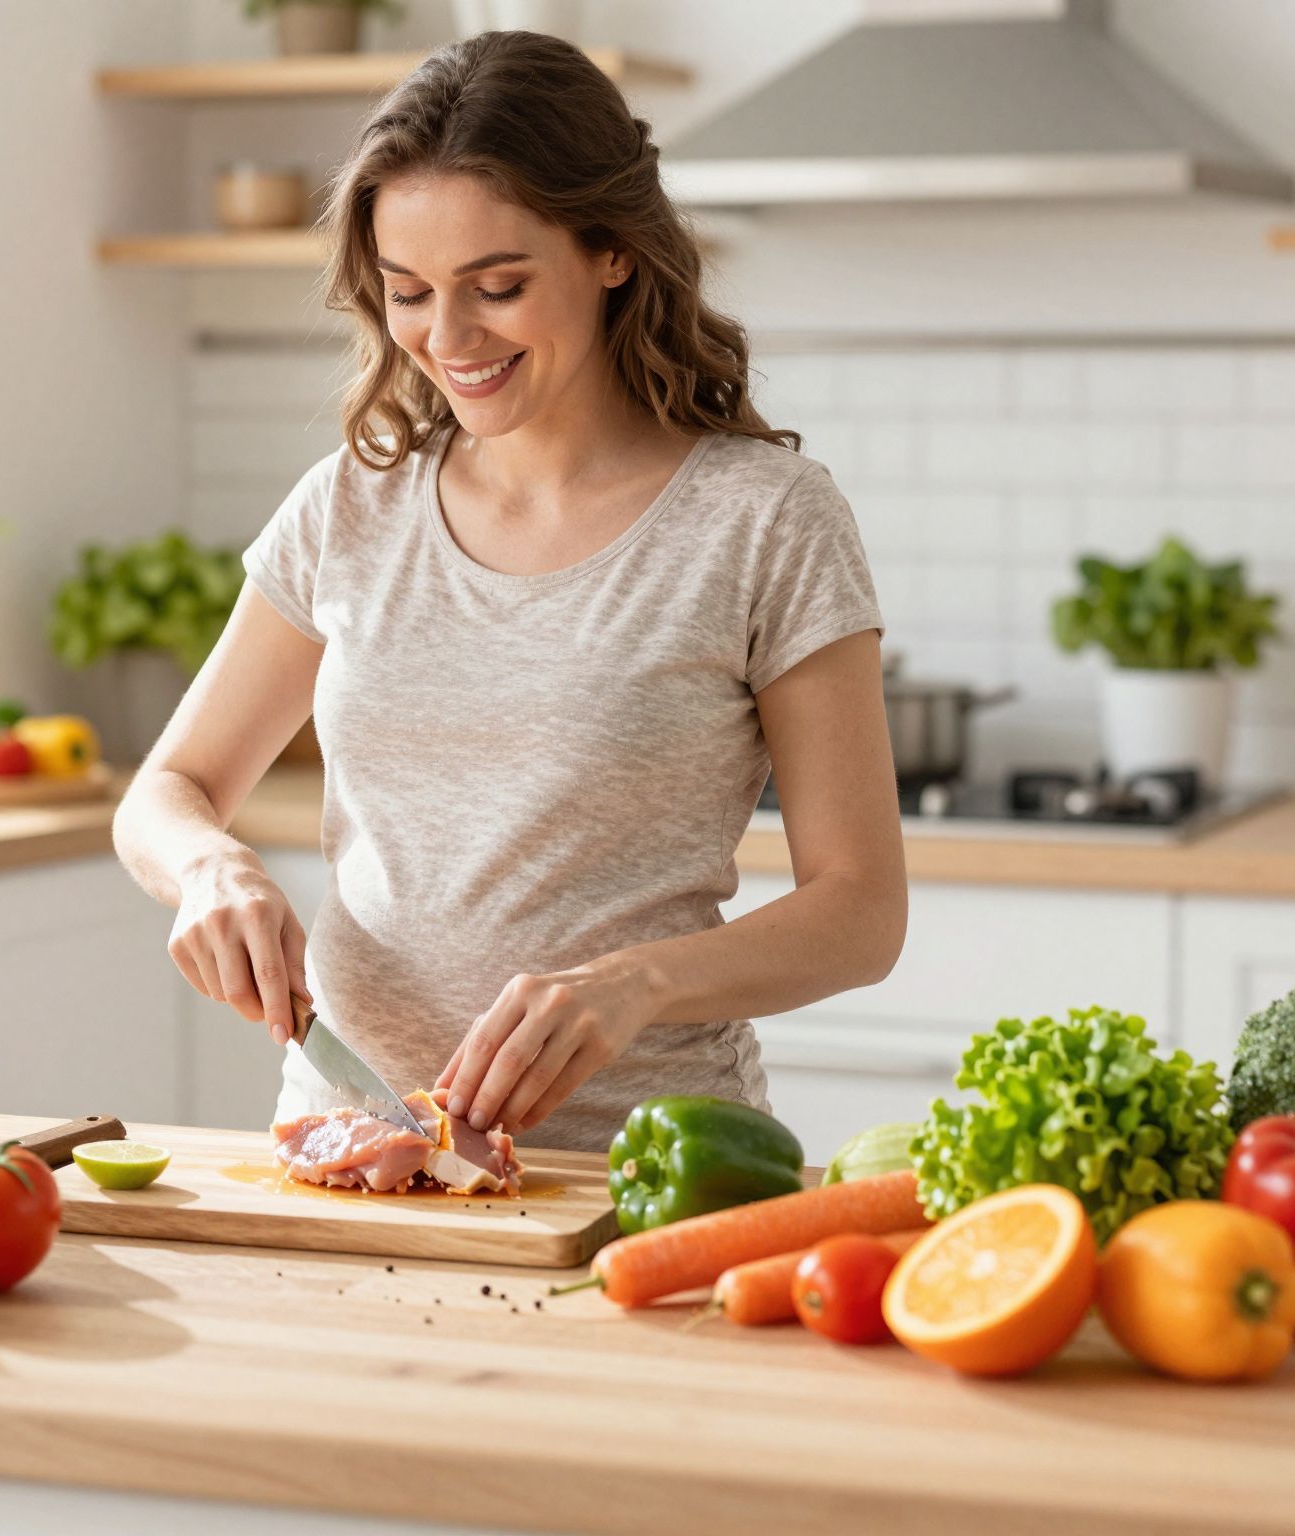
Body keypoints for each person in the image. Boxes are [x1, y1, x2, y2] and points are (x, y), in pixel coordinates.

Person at [113, 31, 906, 1154]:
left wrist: (629, 985)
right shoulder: (351, 506)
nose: (447, 338)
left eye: (497, 286)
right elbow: (168, 788)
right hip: (352, 1145)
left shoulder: (762, 519)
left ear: (612, 253)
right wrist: (209, 870)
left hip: (643, 1170)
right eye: (408, 292)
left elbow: (860, 912)